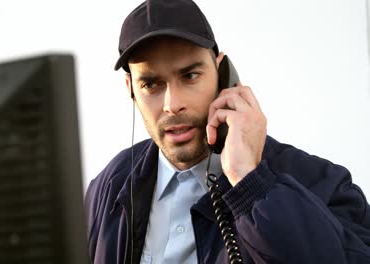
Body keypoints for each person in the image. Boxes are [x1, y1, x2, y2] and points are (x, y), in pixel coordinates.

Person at [84, 0, 370, 263]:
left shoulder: (323, 183)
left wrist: (250, 184)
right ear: (131, 89)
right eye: (151, 84)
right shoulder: (107, 187)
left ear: (222, 75)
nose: (173, 105)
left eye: (190, 75)